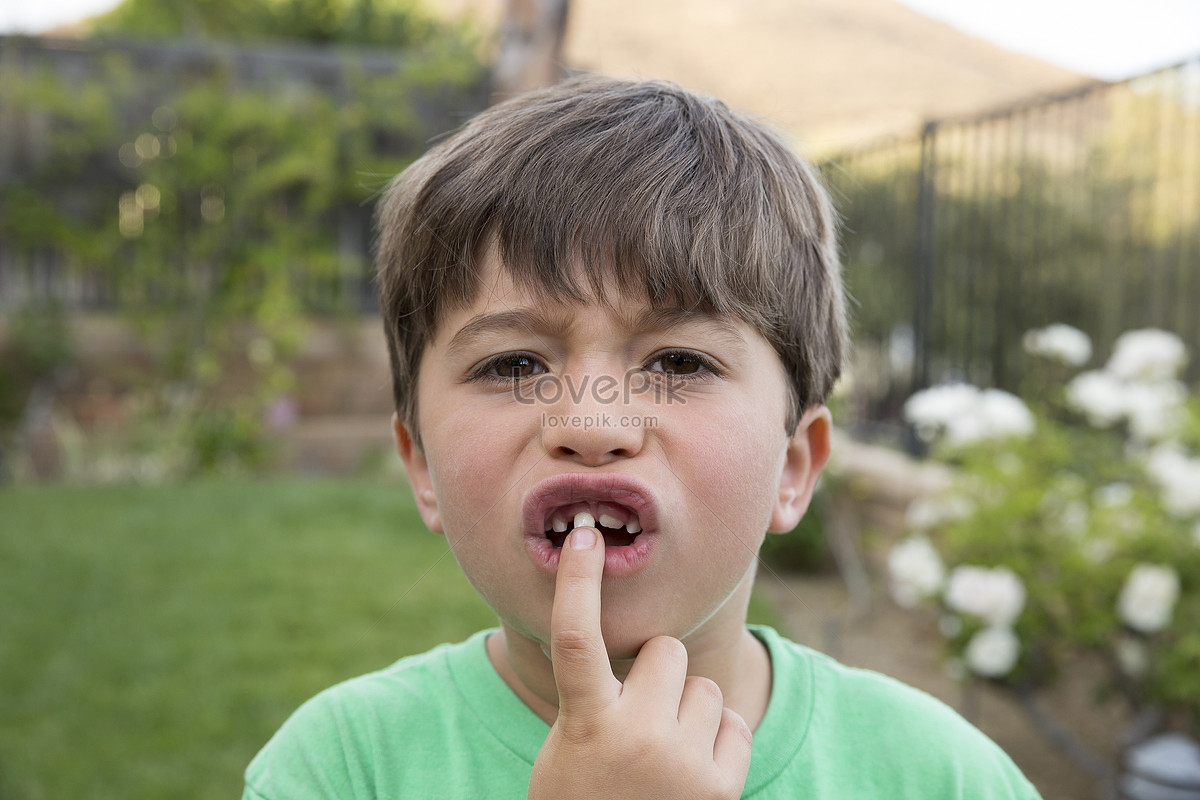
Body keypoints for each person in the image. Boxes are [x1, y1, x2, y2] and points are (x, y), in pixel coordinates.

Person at [243, 75, 1041, 799]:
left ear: (792, 468)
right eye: (514, 362)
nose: (591, 425)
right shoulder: (339, 769)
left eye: (680, 360)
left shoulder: (941, 776)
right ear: (420, 466)